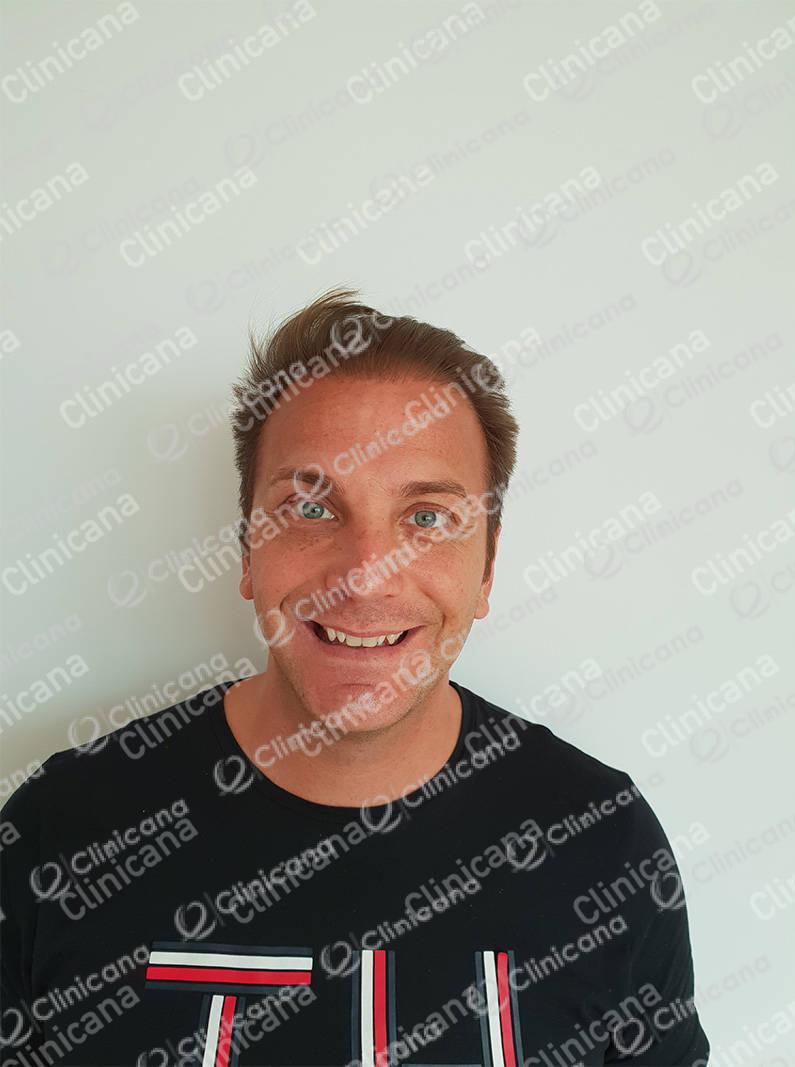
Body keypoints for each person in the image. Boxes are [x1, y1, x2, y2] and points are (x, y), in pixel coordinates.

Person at [0, 288, 710, 1066]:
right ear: (247, 549)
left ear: (486, 566)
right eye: (310, 508)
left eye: (427, 517)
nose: (366, 576)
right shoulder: (58, 835)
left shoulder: (603, 844)